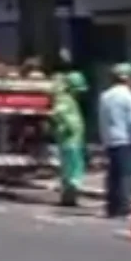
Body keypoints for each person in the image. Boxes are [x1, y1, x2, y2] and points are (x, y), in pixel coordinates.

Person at [99, 63, 131, 218]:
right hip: (126, 139)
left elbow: (103, 120)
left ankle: (112, 207)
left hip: (111, 139)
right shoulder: (129, 96)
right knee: (126, 174)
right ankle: (124, 207)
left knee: (113, 174)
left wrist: (104, 139)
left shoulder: (105, 96)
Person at [50, 74, 86, 207]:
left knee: (70, 168)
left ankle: (69, 197)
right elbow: (58, 113)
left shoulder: (69, 99)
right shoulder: (65, 99)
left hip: (71, 138)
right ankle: (69, 194)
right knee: (72, 169)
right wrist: (70, 126)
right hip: (70, 139)